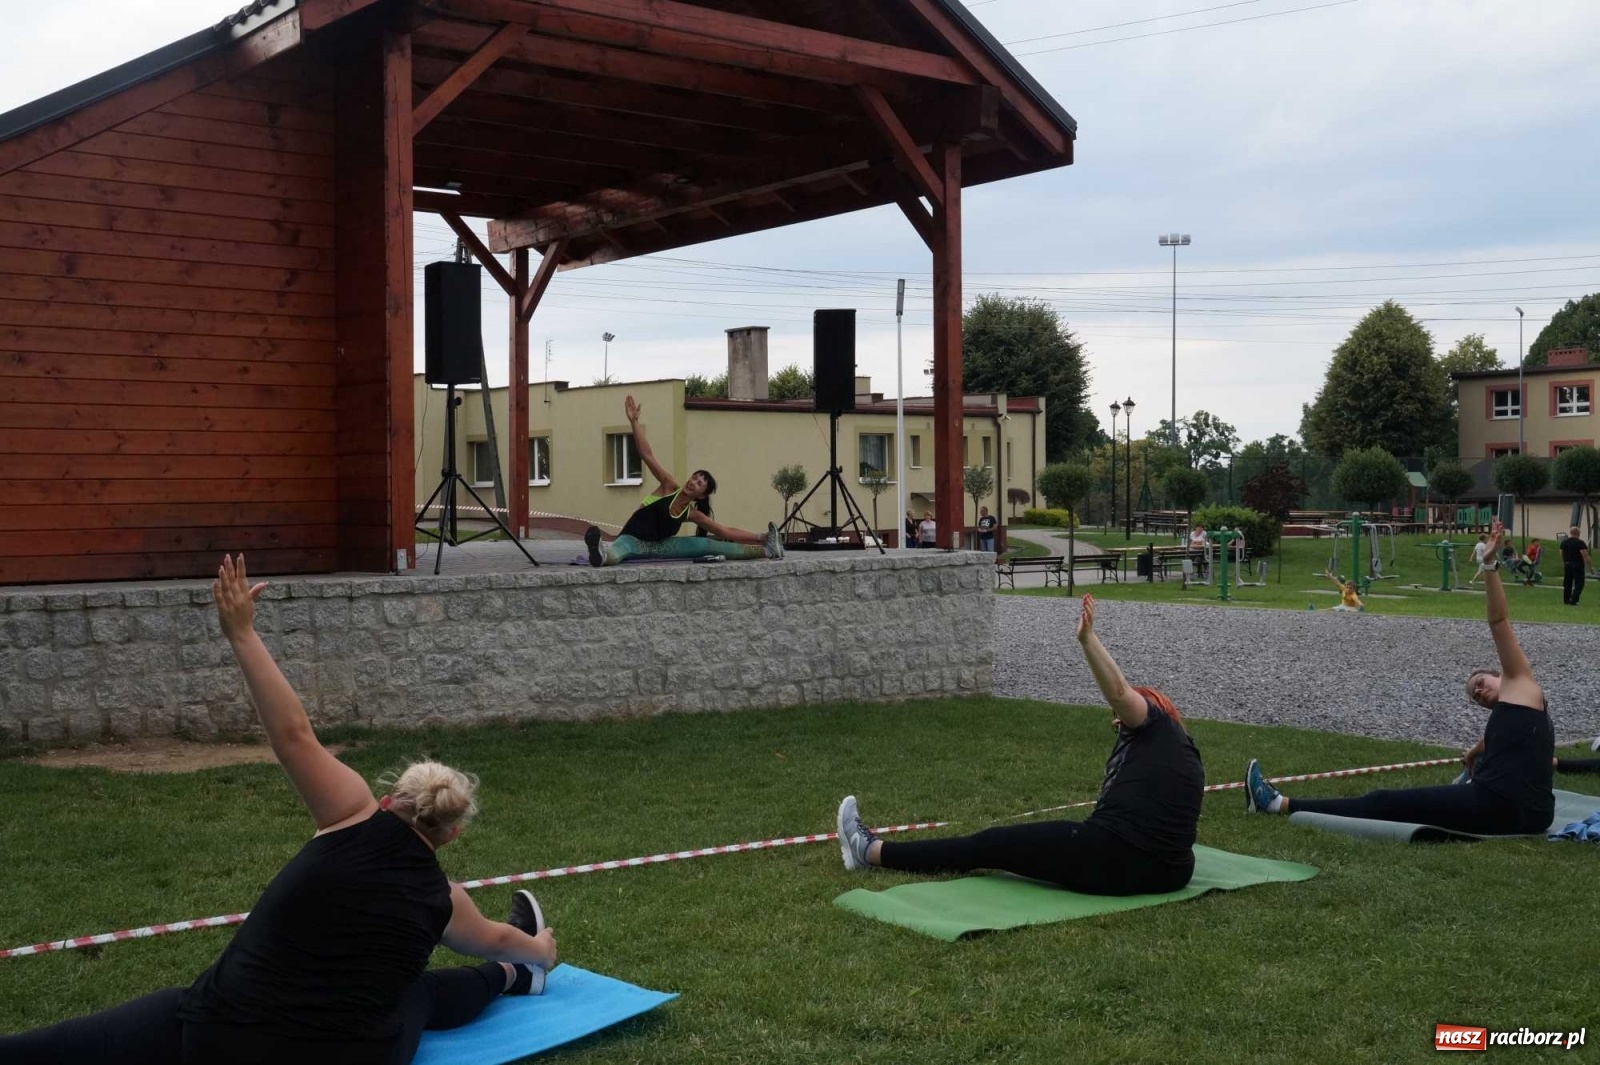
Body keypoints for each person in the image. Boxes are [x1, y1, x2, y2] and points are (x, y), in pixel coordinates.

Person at [0, 555, 558, 1065]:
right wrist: (539, 949)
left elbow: (293, 734)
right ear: (451, 834)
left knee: (52, 1048)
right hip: (347, 1052)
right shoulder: (446, 902)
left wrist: (241, 632)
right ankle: (512, 979)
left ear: (391, 800)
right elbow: (498, 936)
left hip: (218, 1035)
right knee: (416, 993)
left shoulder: (351, 813)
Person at [836, 593, 1203, 896]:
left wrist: (1088, 641)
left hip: (1115, 858)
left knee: (990, 844)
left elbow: (1121, 693)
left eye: (1122, 718)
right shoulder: (1186, 752)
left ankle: (870, 852)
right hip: (1171, 875)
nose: (1116, 721)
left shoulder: (1154, 723)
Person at [1246, 519, 1554, 836]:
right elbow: (1503, 739)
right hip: (1529, 812)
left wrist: (1489, 565)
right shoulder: (1517, 712)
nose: (1478, 692)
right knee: (1414, 802)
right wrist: (1476, 752)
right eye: (1475, 697)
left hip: (1500, 805)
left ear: (1499, 672)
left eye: (1479, 684)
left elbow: (1499, 619)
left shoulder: (1521, 683)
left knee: (1385, 801)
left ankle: (1277, 804)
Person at [585, 396, 782, 567]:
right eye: (694, 477)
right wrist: (634, 422)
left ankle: (768, 550)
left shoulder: (692, 513)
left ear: (702, 494)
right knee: (619, 548)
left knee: (706, 545)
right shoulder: (669, 486)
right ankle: (602, 553)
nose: (694, 481)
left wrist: (761, 537)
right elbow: (647, 455)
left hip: (659, 547)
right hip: (631, 541)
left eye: (700, 483)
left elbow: (724, 531)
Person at [1559, 525, 1591, 606]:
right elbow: (1585, 555)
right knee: (1579, 583)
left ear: (1570, 533)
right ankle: (1574, 600)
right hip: (1577, 565)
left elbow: (1561, 553)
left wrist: (1564, 562)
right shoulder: (1580, 543)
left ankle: (1566, 600)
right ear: (1578, 533)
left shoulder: (1564, 542)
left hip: (1567, 564)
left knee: (1568, 583)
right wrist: (1590, 566)